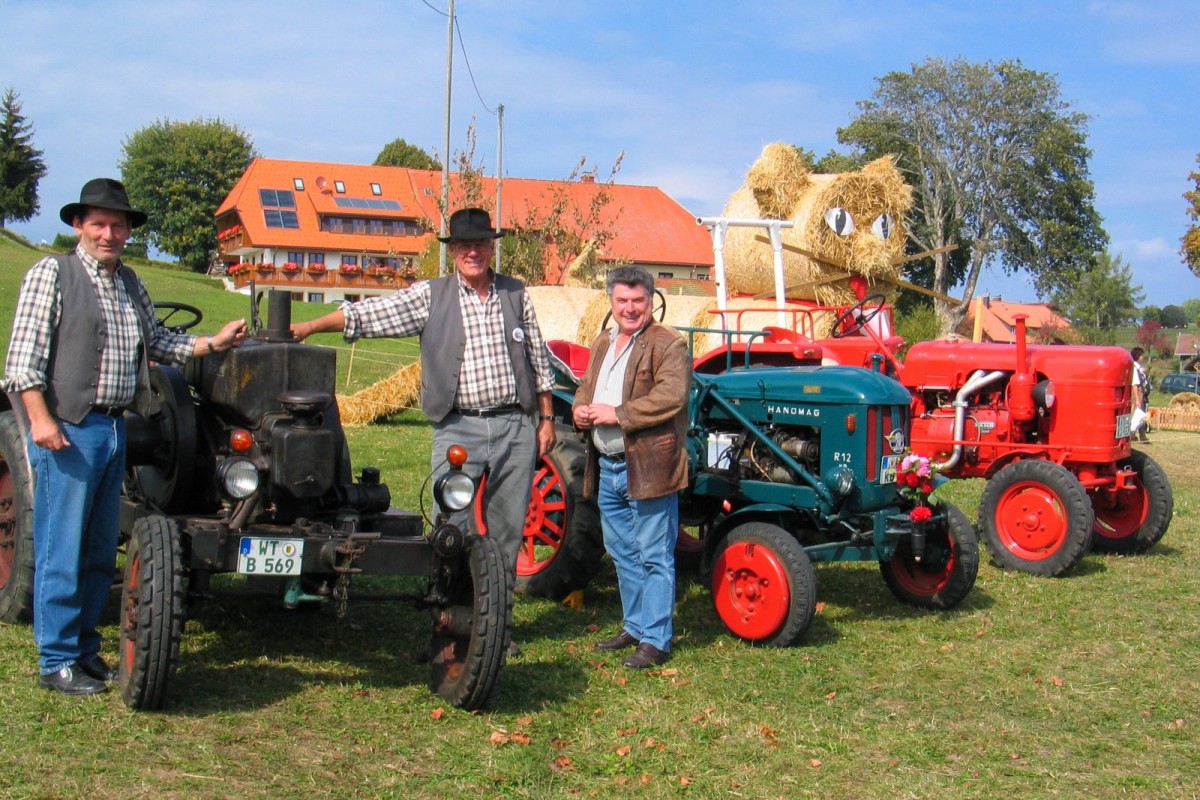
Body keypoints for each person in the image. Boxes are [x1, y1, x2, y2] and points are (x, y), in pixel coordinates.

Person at [3, 178, 247, 696]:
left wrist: (212, 343)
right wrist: (42, 421)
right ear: (79, 226)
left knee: (96, 551)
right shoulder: (53, 273)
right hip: (69, 427)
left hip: (117, 428)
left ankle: (86, 652)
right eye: (99, 224)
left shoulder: (129, 282)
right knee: (61, 547)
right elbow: (22, 362)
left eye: (118, 226)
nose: (109, 233)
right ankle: (56, 660)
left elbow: (158, 341)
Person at [291, 208, 557, 652]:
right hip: (458, 426)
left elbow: (539, 360)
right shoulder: (431, 295)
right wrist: (312, 325)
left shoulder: (516, 294)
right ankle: (449, 625)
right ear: (453, 251)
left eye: (481, 244)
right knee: (450, 527)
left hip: (515, 425)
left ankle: (496, 631)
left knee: (507, 533)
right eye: (464, 245)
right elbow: (372, 314)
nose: (473, 251)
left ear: (492, 248)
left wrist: (545, 418)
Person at [571, 266, 690, 669]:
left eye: (638, 300)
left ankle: (657, 639)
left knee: (655, 553)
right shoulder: (603, 341)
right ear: (611, 301)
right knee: (621, 550)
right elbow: (585, 387)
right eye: (622, 300)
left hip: (649, 464)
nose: (630, 308)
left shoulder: (668, 343)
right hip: (608, 465)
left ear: (650, 301)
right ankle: (636, 626)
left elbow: (671, 396)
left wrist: (617, 413)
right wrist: (580, 410)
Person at [1130, 346, 1150, 443]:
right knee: (1136, 414)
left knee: (1142, 414)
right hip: (1137, 394)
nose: (1143, 357)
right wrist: (1137, 398)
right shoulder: (1134, 367)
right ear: (1137, 356)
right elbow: (1134, 383)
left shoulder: (1139, 367)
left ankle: (1142, 436)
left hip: (1142, 393)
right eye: (1142, 355)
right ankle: (1132, 435)